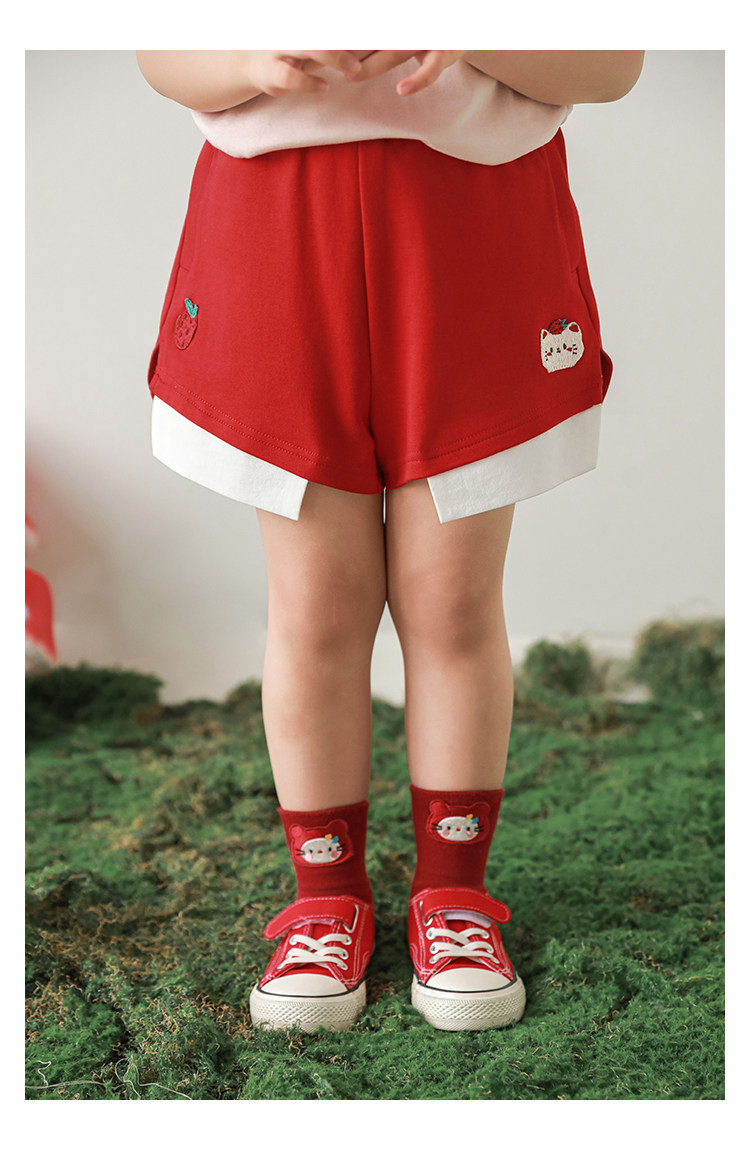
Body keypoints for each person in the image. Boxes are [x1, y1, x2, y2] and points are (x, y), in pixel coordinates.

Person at [136, 49, 645, 1033]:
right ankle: (325, 901)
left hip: (475, 223)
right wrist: (249, 57)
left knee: (451, 598)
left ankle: (454, 893)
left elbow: (612, 60)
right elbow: (163, 54)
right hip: (276, 224)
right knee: (318, 604)